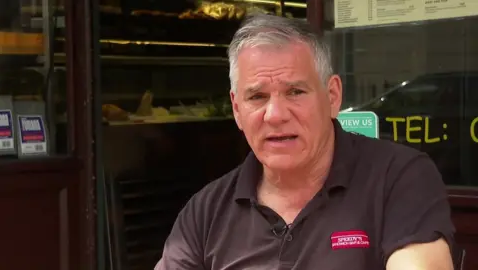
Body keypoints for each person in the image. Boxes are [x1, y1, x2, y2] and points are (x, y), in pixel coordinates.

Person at [155, 14, 455, 270]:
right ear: (236, 109)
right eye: (257, 97)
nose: (275, 115)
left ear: (332, 96)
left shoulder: (398, 178)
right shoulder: (206, 211)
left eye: (295, 92)